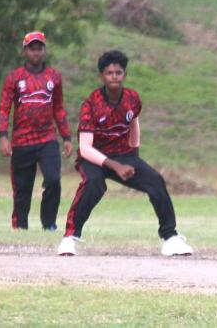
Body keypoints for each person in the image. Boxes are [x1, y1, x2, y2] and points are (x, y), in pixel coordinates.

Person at [57, 50, 193, 257]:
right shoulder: (91, 104)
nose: (114, 76)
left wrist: (134, 153)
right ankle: (69, 237)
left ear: (124, 75)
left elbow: (133, 122)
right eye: (109, 73)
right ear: (101, 76)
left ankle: (170, 238)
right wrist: (115, 166)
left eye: (118, 72)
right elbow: (85, 148)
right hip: (93, 158)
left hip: (123, 154)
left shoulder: (132, 98)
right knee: (94, 185)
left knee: (155, 181)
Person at [0, 31, 72, 231]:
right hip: (21, 141)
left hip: (47, 138)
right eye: (32, 48)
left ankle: (48, 223)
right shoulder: (15, 78)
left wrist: (66, 137)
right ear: (25, 51)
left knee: (53, 180)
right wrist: (3, 136)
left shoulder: (54, 77)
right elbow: (4, 108)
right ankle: (20, 226)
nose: (36, 52)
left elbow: (58, 108)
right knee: (22, 188)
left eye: (40, 48)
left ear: (44, 51)